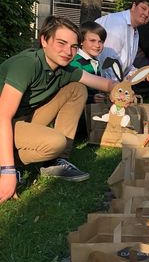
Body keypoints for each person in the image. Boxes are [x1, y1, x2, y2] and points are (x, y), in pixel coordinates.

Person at [0, 16, 116, 202]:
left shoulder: (64, 69)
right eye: (61, 43)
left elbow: (106, 83)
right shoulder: (27, 64)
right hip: (4, 120)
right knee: (55, 141)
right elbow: (3, 115)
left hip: (21, 119)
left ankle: (56, 161)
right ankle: (10, 164)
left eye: (73, 47)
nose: (68, 51)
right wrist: (7, 171)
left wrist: (125, 90)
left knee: (77, 89)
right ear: (44, 40)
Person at [96, 0, 149, 80]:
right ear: (134, 6)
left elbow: (126, 66)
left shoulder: (135, 31)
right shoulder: (117, 23)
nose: (146, 14)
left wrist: (146, 76)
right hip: (98, 82)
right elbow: (107, 63)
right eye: (143, 8)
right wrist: (114, 89)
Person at [70, 21, 107, 103]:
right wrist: (91, 98)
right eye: (92, 40)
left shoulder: (95, 61)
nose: (97, 45)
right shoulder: (75, 62)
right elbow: (72, 92)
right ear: (81, 41)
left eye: (100, 41)